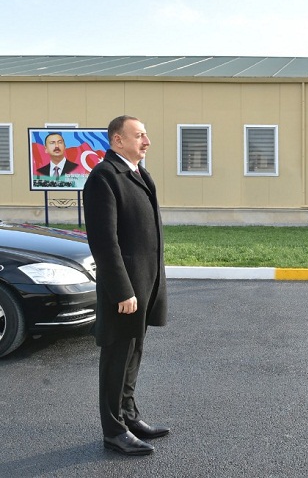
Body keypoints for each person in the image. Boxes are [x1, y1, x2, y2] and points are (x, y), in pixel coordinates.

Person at [83, 115, 169, 456]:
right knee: (116, 358)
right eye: (139, 136)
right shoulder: (104, 177)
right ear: (117, 141)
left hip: (145, 285)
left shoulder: (139, 173)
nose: (147, 141)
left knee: (134, 354)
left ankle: (130, 417)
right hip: (125, 291)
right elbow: (104, 242)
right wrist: (122, 290)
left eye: (146, 135)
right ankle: (114, 431)